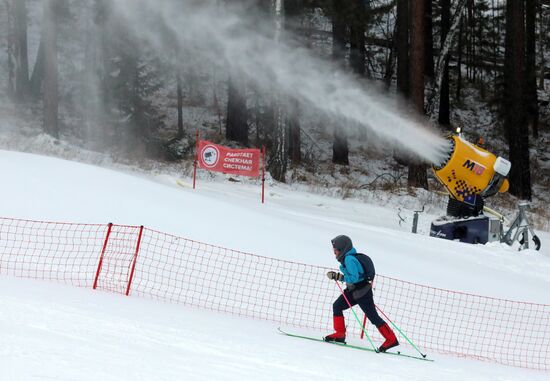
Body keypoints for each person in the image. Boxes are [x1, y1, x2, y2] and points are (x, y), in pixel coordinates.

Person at [324, 235, 399, 353]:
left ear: (343, 248)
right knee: (337, 306)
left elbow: (354, 277)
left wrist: (339, 277)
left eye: (336, 249)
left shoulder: (349, 259)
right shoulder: (347, 258)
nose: (334, 252)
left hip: (362, 292)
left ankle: (391, 339)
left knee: (373, 317)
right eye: (334, 250)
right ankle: (340, 334)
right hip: (353, 291)